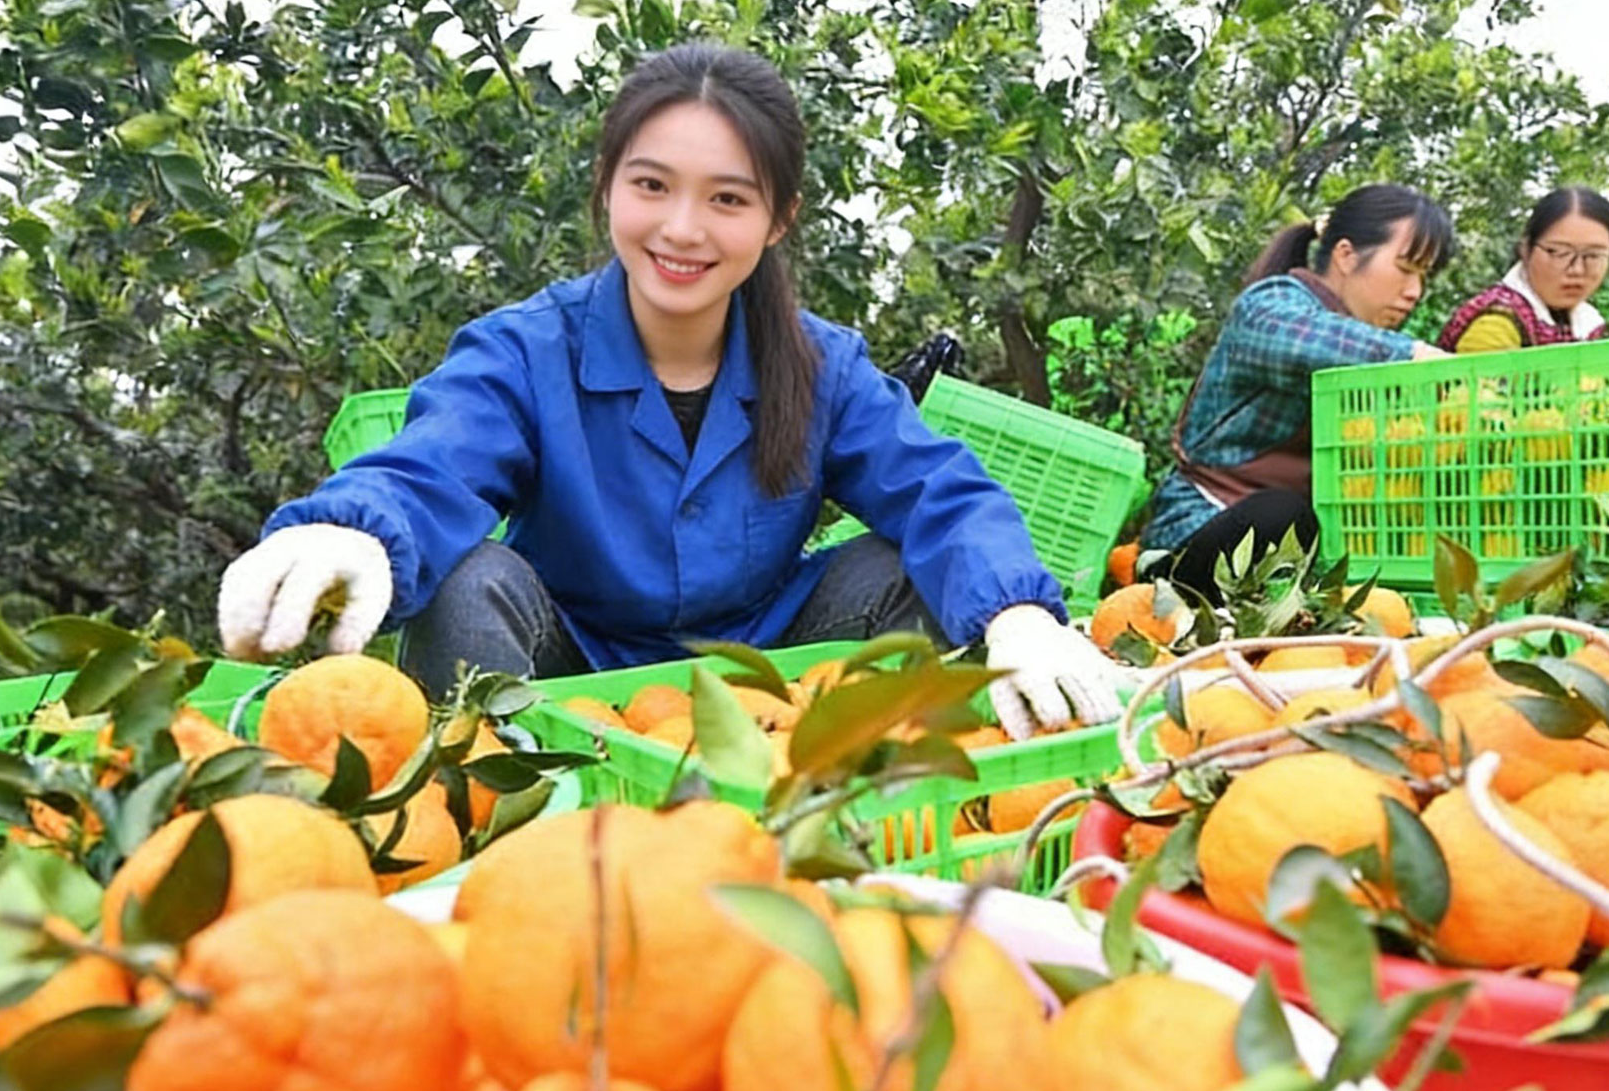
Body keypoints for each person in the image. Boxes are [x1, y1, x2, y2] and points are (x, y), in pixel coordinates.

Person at [215, 44, 1119, 739]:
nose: (682, 230)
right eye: (653, 185)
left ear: (777, 220)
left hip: (767, 676)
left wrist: (1019, 612)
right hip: (569, 667)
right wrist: (356, 529)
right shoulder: (529, 350)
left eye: (728, 199)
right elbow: (435, 460)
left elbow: (936, 490)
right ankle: (500, 804)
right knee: (468, 581)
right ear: (609, 184)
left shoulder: (822, 366)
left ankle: (862, 782)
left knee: (900, 570)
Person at [1142, 184, 1455, 597]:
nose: (1415, 291)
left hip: (1290, 566)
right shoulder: (1272, 305)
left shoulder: (1371, 351)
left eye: (1423, 276)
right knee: (1281, 515)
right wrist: (1420, 360)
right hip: (1202, 528)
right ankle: (1164, 580)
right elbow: (1301, 342)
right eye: (1405, 267)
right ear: (1345, 255)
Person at [1438, 186, 1609, 352]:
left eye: (1593, 256)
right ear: (1526, 249)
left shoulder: (1586, 323)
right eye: (1559, 252)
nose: (1577, 269)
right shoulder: (1495, 324)